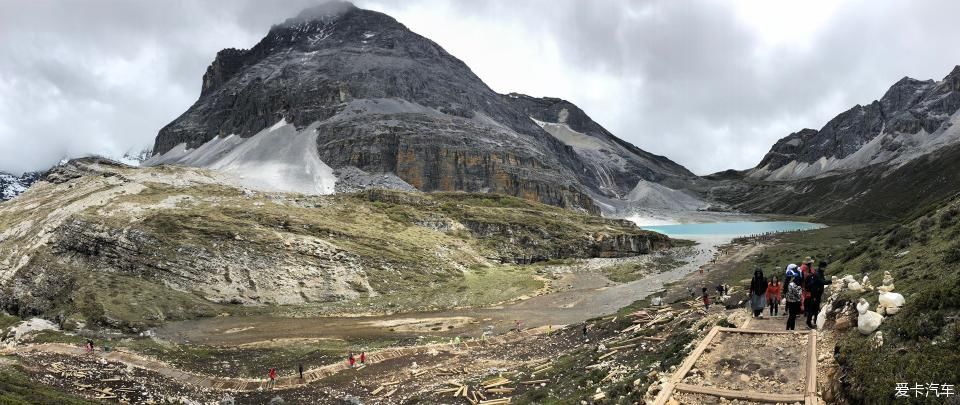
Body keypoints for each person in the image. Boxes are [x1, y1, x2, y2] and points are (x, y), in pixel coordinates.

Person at [804, 261, 834, 329]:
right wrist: (831, 281)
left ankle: (815, 322)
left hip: (817, 293)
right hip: (815, 294)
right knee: (812, 309)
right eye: (825, 267)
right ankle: (809, 323)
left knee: (816, 308)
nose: (825, 268)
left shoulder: (819, 272)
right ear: (822, 267)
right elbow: (821, 282)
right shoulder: (817, 274)